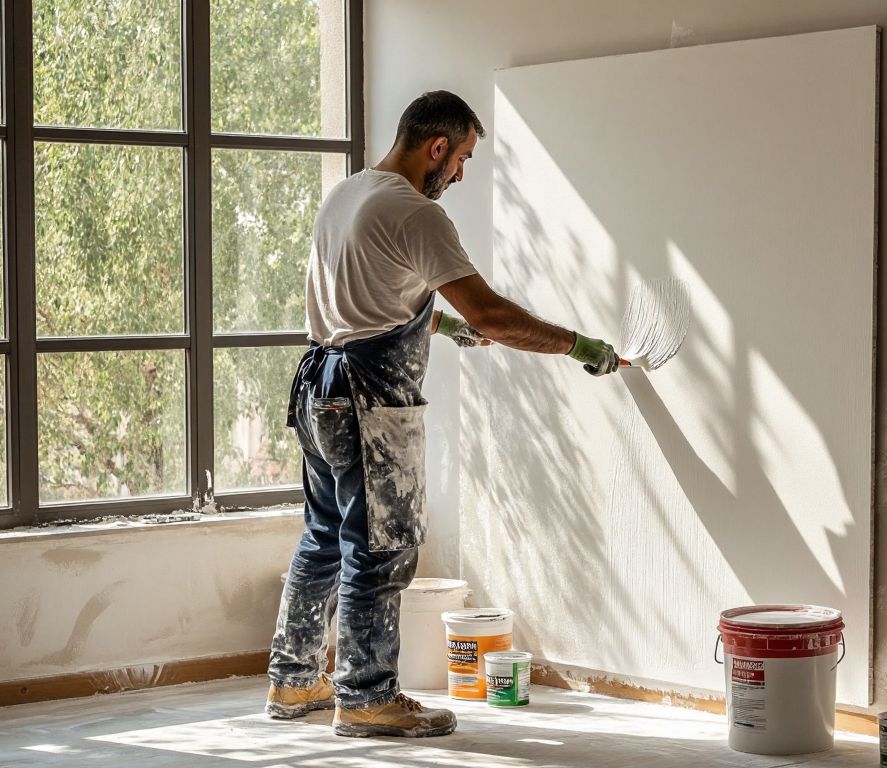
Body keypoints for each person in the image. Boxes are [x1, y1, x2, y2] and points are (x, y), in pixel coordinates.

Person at [263, 90, 620, 739]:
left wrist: (442, 327)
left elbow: (368, 298)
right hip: (371, 400)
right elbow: (495, 315)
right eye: (462, 159)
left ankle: (294, 680)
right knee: (383, 547)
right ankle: (367, 698)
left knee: (323, 537)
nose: (459, 174)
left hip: (320, 389)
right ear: (437, 146)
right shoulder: (416, 213)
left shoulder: (347, 194)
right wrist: (578, 345)